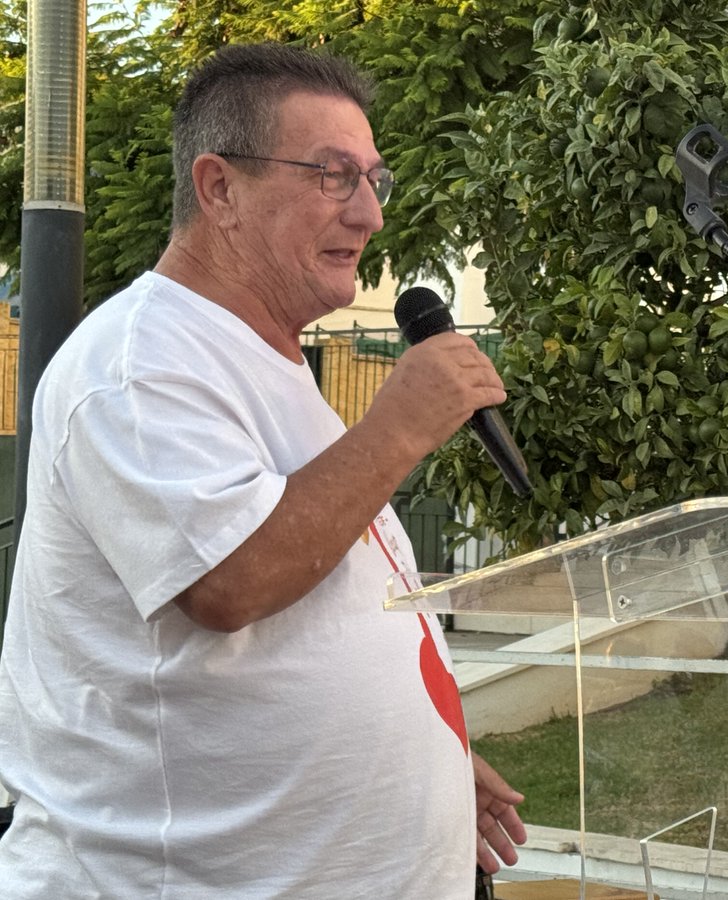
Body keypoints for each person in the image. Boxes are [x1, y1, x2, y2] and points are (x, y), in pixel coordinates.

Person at [0, 42, 525, 897]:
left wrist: (416, 758)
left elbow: (309, 611)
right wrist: (398, 425)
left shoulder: (269, 366)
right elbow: (232, 579)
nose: (369, 216)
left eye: (374, 180)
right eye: (333, 175)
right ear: (220, 190)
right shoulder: (140, 364)